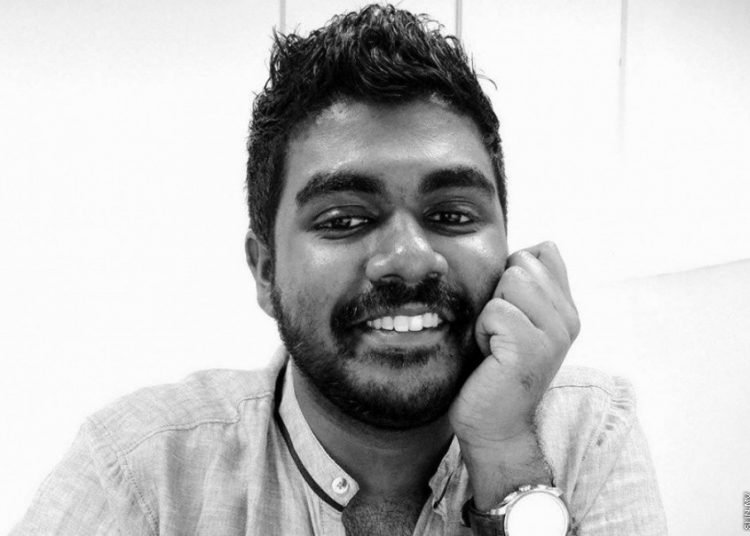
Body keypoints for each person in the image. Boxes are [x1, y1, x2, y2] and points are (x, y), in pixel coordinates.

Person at [11, 4, 666, 535]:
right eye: (345, 219)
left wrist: (504, 454)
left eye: (452, 214)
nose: (410, 258)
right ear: (265, 271)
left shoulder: (589, 433)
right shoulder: (143, 473)